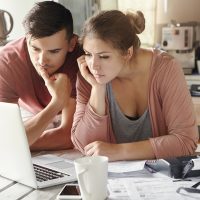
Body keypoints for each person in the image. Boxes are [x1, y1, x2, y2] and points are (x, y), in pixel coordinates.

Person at [71, 10, 199, 161]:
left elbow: (185, 142)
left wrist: (118, 151)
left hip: (163, 179)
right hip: (114, 180)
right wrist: (97, 89)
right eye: (88, 54)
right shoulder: (89, 76)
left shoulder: (165, 68)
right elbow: (84, 145)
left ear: (127, 53)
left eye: (104, 56)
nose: (94, 65)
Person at [0, 1, 83, 151]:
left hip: (71, 119)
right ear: (26, 39)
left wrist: (17, 143)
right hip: (29, 113)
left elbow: (67, 137)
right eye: (35, 49)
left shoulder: (80, 59)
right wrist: (57, 103)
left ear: (72, 44)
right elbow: (5, 134)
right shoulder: (6, 62)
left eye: (54, 51)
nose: (42, 60)